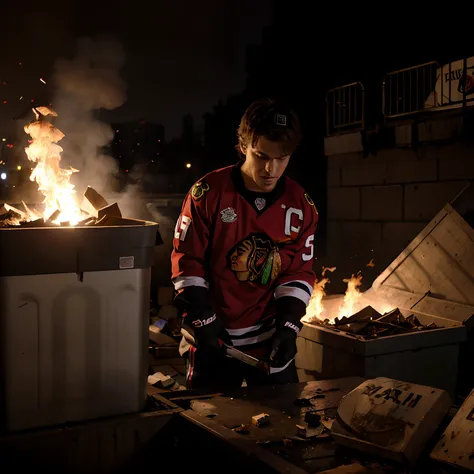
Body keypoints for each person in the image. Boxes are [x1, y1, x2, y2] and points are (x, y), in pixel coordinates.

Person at [170, 97, 318, 391]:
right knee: (208, 423)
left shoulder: (302, 206)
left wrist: (289, 327)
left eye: (282, 158)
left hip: (269, 343)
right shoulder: (208, 193)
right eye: (261, 156)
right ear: (243, 146)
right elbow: (187, 262)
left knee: (284, 426)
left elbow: (298, 273)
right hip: (211, 335)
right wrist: (203, 320)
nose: (271, 169)